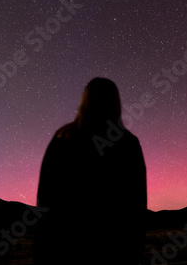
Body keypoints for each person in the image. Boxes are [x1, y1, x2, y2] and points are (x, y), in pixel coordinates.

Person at [33, 77, 147, 264]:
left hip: (65, 247)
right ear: (115, 102)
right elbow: (137, 208)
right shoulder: (128, 144)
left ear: (84, 101)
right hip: (113, 249)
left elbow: (45, 200)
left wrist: (42, 253)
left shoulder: (63, 139)